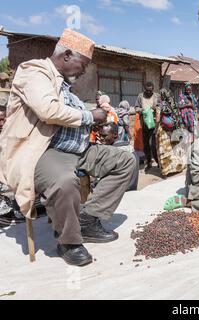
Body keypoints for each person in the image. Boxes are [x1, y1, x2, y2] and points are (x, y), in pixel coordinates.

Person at [0, 29, 136, 266]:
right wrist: (90, 116)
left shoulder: (64, 84)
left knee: (126, 161)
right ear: (67, 55)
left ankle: (87, 218)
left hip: (80, 149)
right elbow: (48, 110)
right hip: (47, 151)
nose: (83, 72)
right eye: (82, 65)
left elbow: (75, 114)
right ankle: (69, 241)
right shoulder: (34, 72)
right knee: (64, 181)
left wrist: (100, 120)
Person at [97, 123, 139, 191]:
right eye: (100, 136)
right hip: (131, 188)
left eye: (104, 136)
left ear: (115, 134)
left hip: (117, 192)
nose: (101, 139)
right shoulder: (130, 147)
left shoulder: (111, 152)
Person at [156, 88, 187, 177]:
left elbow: (158, 118)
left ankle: (165, 171)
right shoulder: (174, 104)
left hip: (163, 130)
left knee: (164, 149)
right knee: (174, 149)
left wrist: (156, 128)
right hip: (173, 129)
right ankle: (177, 167)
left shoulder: (160, 105)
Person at [135, 81, 160, 172]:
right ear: (144, 89)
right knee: (146, 145)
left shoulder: (156, 96)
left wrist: (155, 108)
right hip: (144, 124)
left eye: (150, 91)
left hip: (154, 124)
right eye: (147, 91)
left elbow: (160, 106)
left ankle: (158, 162)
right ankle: (148, 162)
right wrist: (143, 110)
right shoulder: (140, 96)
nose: (149, 92)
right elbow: (136, 108)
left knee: (152, 144)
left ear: (153, 89)